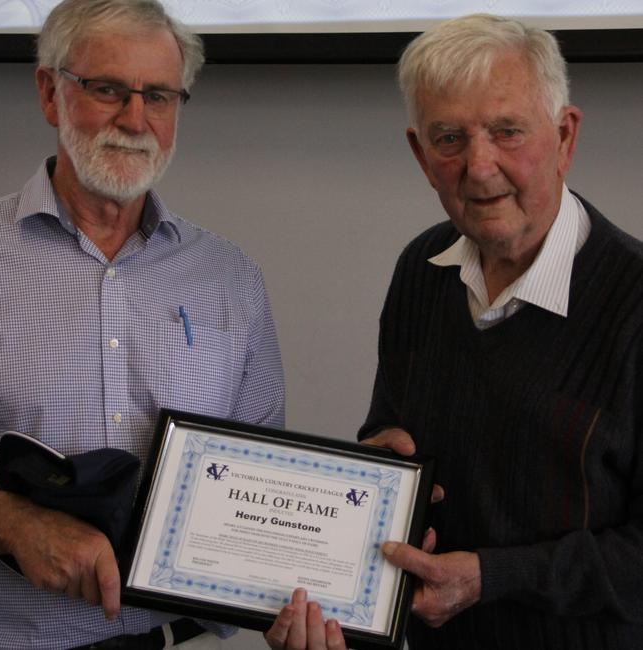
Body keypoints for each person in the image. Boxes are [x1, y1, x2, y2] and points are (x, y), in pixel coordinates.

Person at [265, 13, 643, 650]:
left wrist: (491, 577)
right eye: (449, 138)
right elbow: (391, 440)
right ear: (420, 154)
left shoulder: (633, 303)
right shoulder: (422, 269)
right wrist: (380, 475)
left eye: (507, 131)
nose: (480, 165)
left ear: (564, 135)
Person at [0, 1, 284, 648]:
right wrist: (9, 522)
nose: (135, 119)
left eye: (158, 95)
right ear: (50, 92)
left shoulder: (228, 277)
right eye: (107, 90)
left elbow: (261, 479)